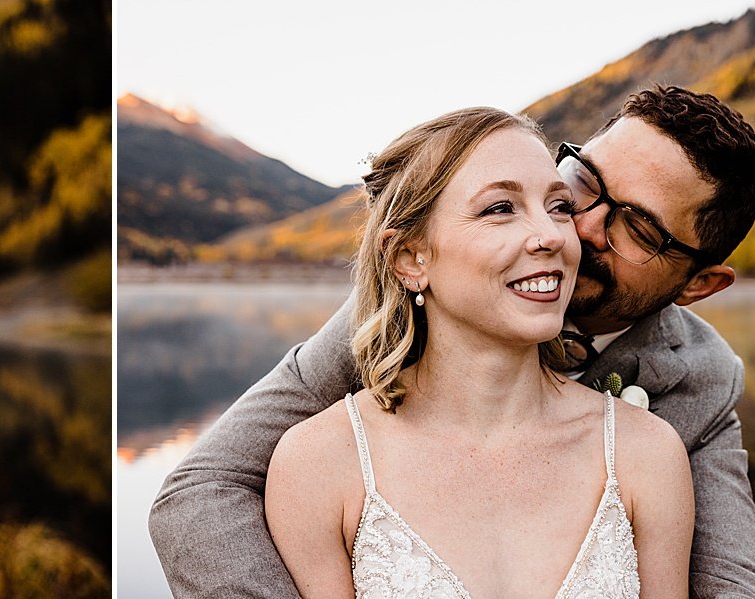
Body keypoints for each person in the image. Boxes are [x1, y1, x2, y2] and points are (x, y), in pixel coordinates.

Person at [152, 85, 755, 597]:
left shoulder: (698, 381)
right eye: (581, 184)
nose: (577, 229)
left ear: (698, 284)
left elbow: (735, 584)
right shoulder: (388, 322)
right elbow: (200, 493)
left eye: (637, 227)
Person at [265, 107, 692, 597]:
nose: (553, 235)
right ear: (409, 258)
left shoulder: (646, 454)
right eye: (500, 208)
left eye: (558, 207)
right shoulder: (318, 465)